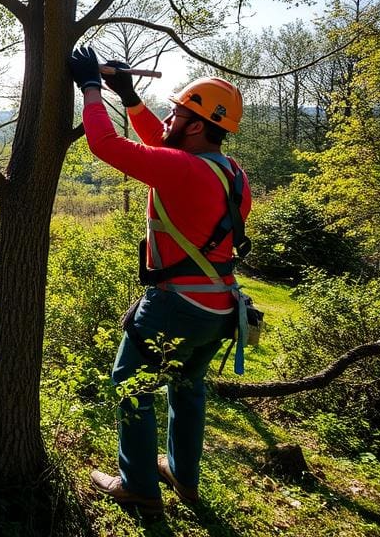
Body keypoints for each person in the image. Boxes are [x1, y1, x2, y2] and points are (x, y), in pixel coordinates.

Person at [68, 46, 251, 515]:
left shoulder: (181, 169)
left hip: (177, 306)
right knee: (188, 387)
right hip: (221, 307)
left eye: (175, 113)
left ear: (194, 124)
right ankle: (182, 476)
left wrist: (91, 86)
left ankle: (138, 487)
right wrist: (129, 98)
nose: (167, 118)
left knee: (130, 382)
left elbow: (105, 146)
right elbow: (165, 146)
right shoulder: (231, 174)